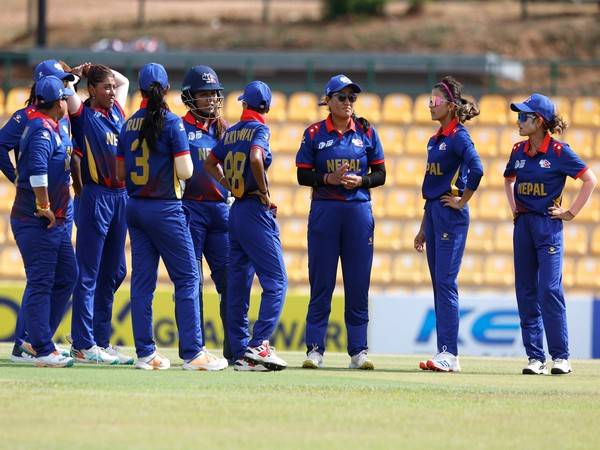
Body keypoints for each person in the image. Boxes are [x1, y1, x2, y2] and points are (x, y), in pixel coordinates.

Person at [116, 63, 227, 371]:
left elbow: (120, 172)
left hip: (135, 207)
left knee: (142, 282)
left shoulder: (128, 124)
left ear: (140, 90)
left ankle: (146, 353)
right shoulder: (173, 123)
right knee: (188, 277)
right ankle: (193, 354)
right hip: (165, 207)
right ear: (166, 90)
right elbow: (187, 171)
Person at [295, 74, 386, 370]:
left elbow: (381, 174)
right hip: (325, 211)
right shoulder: (313, 134)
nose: (348, 103)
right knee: (321, 282)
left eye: (352, 98)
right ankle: (314, 350)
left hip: (358, 213)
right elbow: (302, 175)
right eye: (342, 98)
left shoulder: (366, 132)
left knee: (358, 284)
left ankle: (358, 351)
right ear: (329, 101)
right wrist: (327, 179)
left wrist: (361, 180)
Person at [504, 93, 597, 375]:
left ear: (539, 121)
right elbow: (508, 180)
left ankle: (561, 357)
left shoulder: (558, 152)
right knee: (526, 291)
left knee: (549, 289)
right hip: (524, 227)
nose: (518, 121)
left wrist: (570, 213)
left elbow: (590, 180)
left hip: (548, 227)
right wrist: (514, 209)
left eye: (524, 116)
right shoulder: (518, 150)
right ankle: (535, 358)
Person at [205, 80, 288, 372]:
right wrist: (264, 193)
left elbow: (209, 163)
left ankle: (240, 352)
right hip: (253, 208)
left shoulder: (231, 133)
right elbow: (255, 157)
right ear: (266, 107)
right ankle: (259, 344)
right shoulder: (260, 129)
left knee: (238, 283)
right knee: (276, 281)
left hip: (236, 209)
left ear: (245, 104)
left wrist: (229, 185)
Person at [0, 60, 76, 363]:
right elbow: (37, 170)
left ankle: (37, 338)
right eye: (61, 84)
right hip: (38, 214)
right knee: (42, 279)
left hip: (59, 210)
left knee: (66, 276)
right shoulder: (32, 123)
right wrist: (19, 180)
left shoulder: (58, 120)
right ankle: (35, 344)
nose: (66, 89)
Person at [414, 75, 483, 373]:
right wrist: (422, 227)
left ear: (451, 106)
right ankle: (444, 352)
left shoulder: (459, 136)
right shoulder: (436, 139)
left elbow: (478, 169)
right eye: (430, 100)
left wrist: (462, 200)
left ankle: (450, 354)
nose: (431, 105)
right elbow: (432, 185)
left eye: (436, 100)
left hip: (450, 215)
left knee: (445, 283)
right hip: (434, 212)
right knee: (439, 284)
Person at [66, 63, 133, 365]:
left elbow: (124, 80)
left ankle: (100, 341)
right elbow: (66, 89)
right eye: (103, 87)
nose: (111, 90)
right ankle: (82, 343)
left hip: (121, 196)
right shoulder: (83, 114)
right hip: (95, 195)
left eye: (110, 87)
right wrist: (78, 74)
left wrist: (97, 67)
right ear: (90, 90)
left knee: (115, 271)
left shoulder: (117, 110)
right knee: (89, 272)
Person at [180, 65, 231, 362]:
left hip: (220, 212)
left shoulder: (224, 130)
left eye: (214, 93)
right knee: (192, 281)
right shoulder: (179, 128)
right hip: (189, 210)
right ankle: (195, 347)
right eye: (204, 94)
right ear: (190, 97)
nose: (212, 99)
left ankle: (235, 347)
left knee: (230, 281)